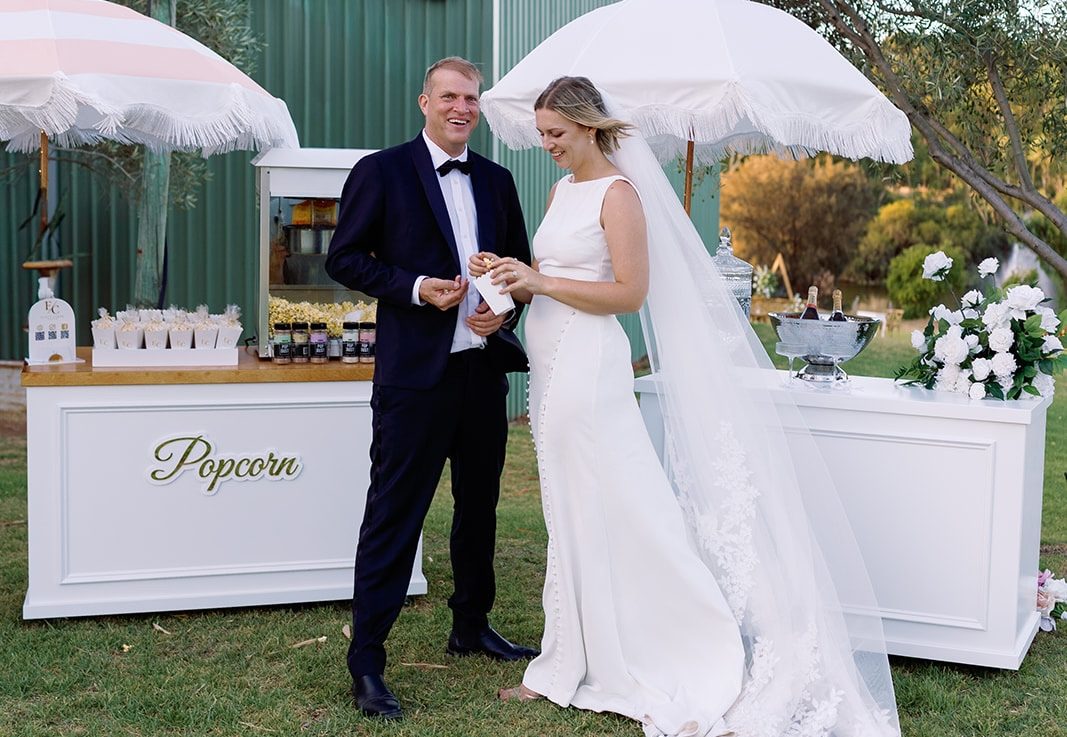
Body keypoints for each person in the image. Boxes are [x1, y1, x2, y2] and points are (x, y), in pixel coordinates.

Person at [473, 77, 901, 737]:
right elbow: (548, 272)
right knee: (567, 505)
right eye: (543, 135)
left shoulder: (620, 194)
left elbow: (627, 291)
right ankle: (566, 657)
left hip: (589, 363)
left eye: (556, 134)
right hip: (549, 356)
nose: (547, 146)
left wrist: (542, 279)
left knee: (620, 504)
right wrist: (507, 275)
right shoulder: (561, 191)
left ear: (588, 127)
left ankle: (684, 640)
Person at [324, 56, 537, 722]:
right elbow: (345, 258)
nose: (460, 108)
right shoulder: (380, 171)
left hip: (481, 372)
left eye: (470, 99)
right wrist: (417, 289)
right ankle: (367, 662)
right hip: (414, 379)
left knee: (478, 509)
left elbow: (518, 269)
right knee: (395, 514)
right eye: (449, 96)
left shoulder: (498, 181)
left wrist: (501, 310)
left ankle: (470, 623)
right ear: (424, 102)